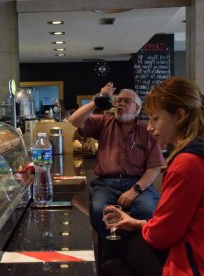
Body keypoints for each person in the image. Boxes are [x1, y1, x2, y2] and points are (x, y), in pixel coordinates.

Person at [102, 77, 204, 276]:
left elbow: (161, 236)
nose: (149, 127)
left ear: (180, 115)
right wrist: (138, 223)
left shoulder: (187, 164)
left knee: (114, 257)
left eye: (155, 118)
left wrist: (142, 226)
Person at [68, 82, 165, 261]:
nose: (119, 103)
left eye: (126, 101)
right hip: (106, 183)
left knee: (147, 210)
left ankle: (140, 256)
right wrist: (99, 101)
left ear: (136, 108)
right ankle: (111, 256)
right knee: (99, 211)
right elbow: (74, 120)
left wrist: (135, 190)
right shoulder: (104, 122)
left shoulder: (147, 130)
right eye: (117, 100)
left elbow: (155, 167)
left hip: (137, 183)